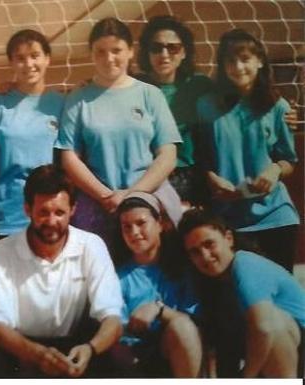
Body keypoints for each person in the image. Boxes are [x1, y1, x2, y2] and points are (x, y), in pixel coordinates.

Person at [0, 165, 123, 378]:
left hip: (75, 350)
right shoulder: (2, 252)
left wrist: (91, 349)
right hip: (19, 351)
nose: (51, 222)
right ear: (27, 209)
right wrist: (36, 355)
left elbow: (113, 317)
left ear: (73, 210)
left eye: (60, 212)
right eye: (43, 212)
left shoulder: (91, 245)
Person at [55, 17, 182, 248]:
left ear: (130, 51)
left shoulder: (150, 94)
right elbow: (69, 157)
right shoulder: (78, 98)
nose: (109, 58)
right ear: (91, 54)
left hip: (149, 201)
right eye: (101, 51)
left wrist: (133, 194)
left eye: (116, 50)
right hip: (98, 205)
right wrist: (105, 195)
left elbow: (168, 154)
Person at [196, 29, 300, 272]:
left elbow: (288, 160)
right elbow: (202, 159)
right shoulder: (207, 106)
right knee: (242, 300)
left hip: (275, 216)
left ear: (260, 61)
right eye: (230, 60)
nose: (238, 66)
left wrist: (275, 170)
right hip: (228, 220)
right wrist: (211, 178)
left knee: (279, 299)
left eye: (245, 59)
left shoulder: (278, 106)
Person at [0, 29, 65, 268]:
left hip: (52, 220)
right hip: (8, 219)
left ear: (47, 58)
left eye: (35, 55)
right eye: (20, 57)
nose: (28, 64)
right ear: (11, 62)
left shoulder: (63, 105)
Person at [179, 208, 304, 378]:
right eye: (195, 252)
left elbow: (263, 328)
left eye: (209, 244)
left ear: (228, 238)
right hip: (270, 355)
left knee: (271, 321)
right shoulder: (213, 282)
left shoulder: (244, 263)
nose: (205, 256)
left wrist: (246, 377)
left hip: (295, 345)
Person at [112, 191, 201, 377]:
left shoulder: (182, 268)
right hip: (139, 360)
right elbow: (116, 335)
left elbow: (193, 322)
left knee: (182, 327)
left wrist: (159, 310)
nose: (134, 233)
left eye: (141, 223)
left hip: (182, 351)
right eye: (126, 227)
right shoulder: (118, 278)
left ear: (159, 223)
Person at [136, 16, 214, 207]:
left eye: (172, 48)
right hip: (147, 177)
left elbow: (241, 101)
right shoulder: (133, 87)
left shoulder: (199, 85)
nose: (164, 54)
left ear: (184, 52)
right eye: (156, 48)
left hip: (191, 177)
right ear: (147, 52)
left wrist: (281, 110)